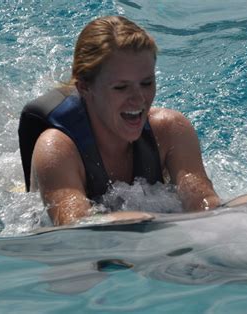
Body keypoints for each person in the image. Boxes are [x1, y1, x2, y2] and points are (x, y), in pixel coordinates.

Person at [18, 16, 221, 226]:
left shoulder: (170, 131)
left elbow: (204, 203)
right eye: (121, 88)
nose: (139, 98)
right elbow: (74, 227)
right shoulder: (56, 150)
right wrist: (134, 222)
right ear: (85, 88)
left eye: (147, 83)